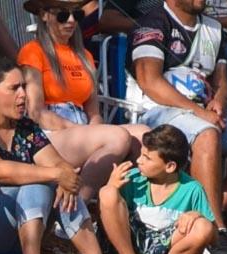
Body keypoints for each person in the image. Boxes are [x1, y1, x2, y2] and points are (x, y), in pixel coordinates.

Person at [0, 55, 129, 254]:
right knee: (42, 182)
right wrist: (56, 174)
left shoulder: (26, 126)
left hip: (22, 227)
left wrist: (64, 177)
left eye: (24, 87)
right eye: (14, 88)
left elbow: (58, 163)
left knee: (53, 183)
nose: (23, 95)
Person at [127, 0, 227, 254]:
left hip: (203, 112)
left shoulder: (213, 27)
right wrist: (198, 112)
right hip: (160, 110)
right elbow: (150, 81)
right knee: (207, 133)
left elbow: (220, 81)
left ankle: (205, 210)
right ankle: (215, 229)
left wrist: (219, 101)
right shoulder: (152, 23)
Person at [17, 0, 141, 196]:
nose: (71, 20)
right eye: (62, 14)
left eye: (77, 14)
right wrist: (82, 130)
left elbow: (94, 112)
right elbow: (36, 112)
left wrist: (93, 129)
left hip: (81, 128)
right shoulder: (32, 51)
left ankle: (121, 203)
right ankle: (78, 204)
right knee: (118, 137)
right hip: (48, 134)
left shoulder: (85, 55)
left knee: (143, 134)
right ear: (44, 15)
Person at [99, 123, 214, 254]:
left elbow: (213, 236)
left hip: (161, 252)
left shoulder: (192, 189)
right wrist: (111, 185)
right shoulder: (132, 179)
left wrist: (196, 215)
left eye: (147, 158)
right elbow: (106, 214)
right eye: (141, 154)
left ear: (170, 166)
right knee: (107, 193)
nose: (138, 160)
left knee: (204, 226)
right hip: (125, 249)